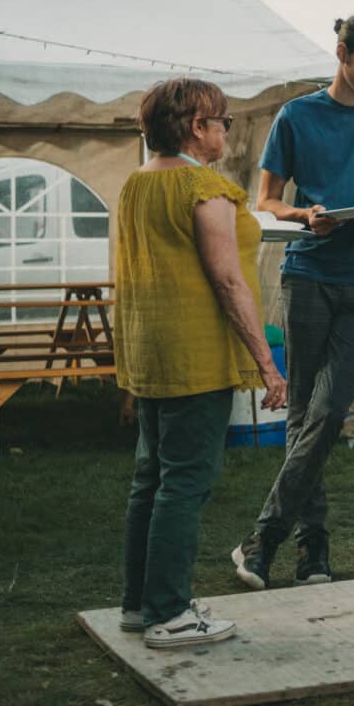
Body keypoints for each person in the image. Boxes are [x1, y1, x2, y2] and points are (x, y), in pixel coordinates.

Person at [232, 13, 354, 589]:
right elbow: (266, 199)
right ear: (341, 53)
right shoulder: (298, 116)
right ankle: (313, 552)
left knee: (329, 410)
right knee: (302, 416)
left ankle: (262, 540)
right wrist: (302, 215)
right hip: (310, 275)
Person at [116, 78, 288, 648]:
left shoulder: (137, 183)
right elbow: (228, 279)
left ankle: (141, 604)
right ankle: (169, 613)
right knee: (184, 485)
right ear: (196, 127)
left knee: (152, 481)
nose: (224, 131)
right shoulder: (203, 186)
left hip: (151, 351)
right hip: (194, 355)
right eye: (222, 122)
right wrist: (267, 364)